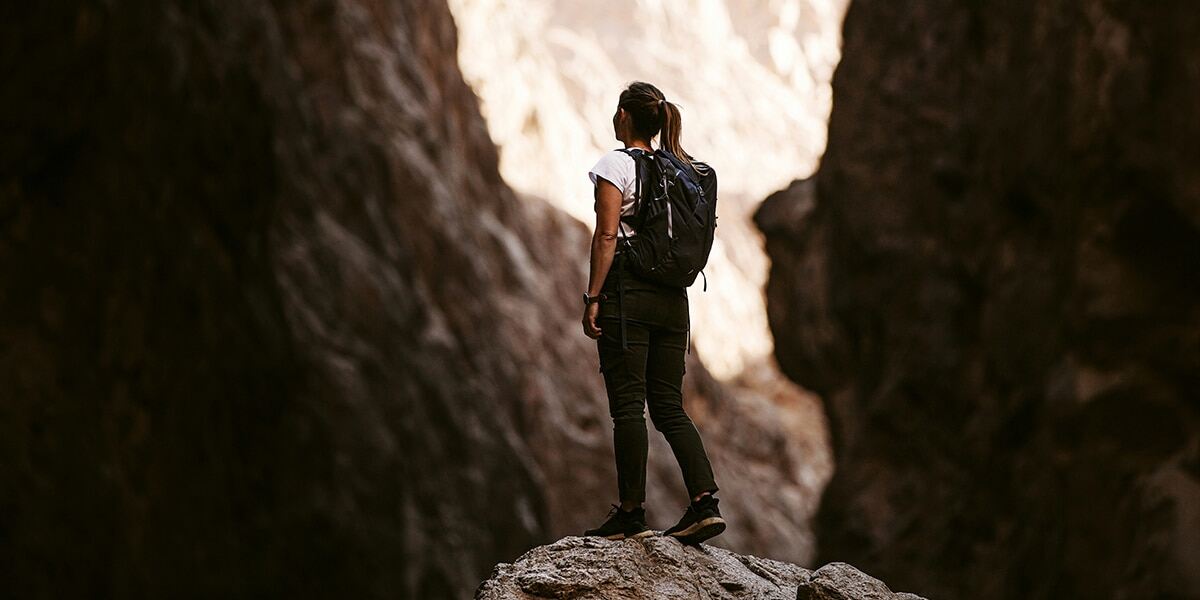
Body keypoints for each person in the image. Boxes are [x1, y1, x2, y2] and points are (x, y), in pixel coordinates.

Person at [580, 81, 725, 545]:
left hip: (628, 295)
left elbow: (606, 237)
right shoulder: (680, 169)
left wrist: (592, 298)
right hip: (673, 302)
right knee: (668, 407)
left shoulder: (615, 165)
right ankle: (705, 504)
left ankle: (630, 513)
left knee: (628, 407)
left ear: (624, 116)